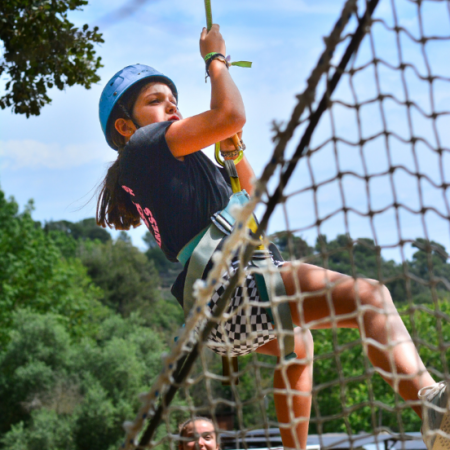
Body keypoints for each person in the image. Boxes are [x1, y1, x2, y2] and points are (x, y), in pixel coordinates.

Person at [96, 24, 449, 450]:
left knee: (298, 346)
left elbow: (249, 199)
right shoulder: (145, 147)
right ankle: (431, 406)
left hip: (217, 312)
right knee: (370, 296)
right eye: (156, 102)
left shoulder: (166, 167)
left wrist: (232, 151)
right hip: (234, 285)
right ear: (125, 126)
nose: (172, 109)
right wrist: (215, 60)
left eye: (175, 101)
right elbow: (230, 113)